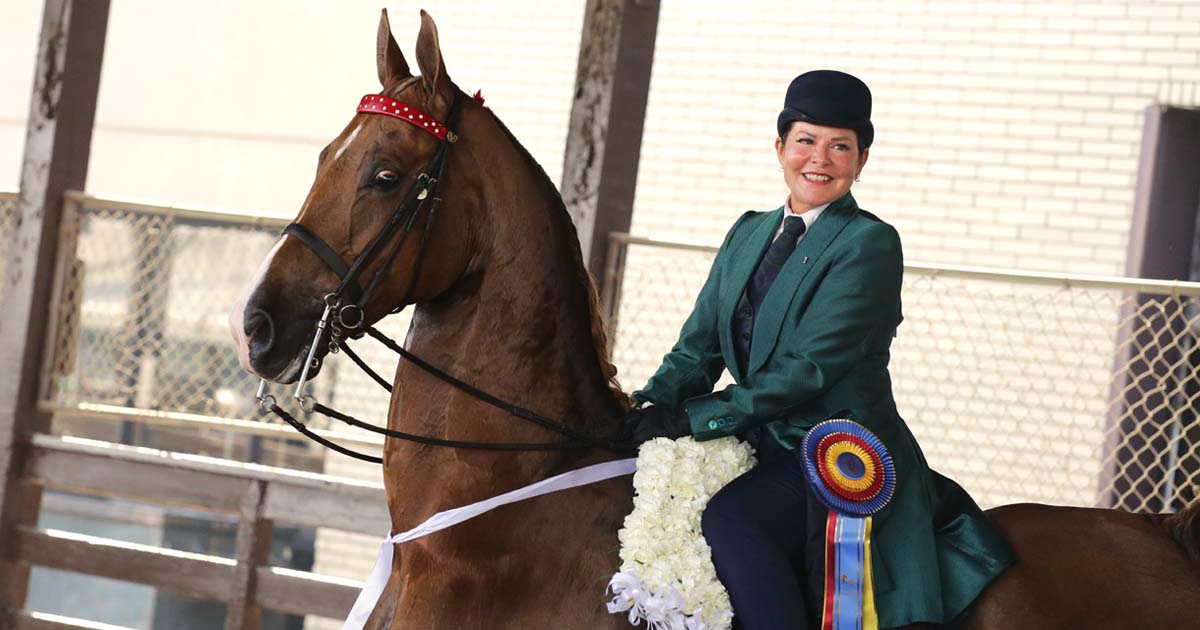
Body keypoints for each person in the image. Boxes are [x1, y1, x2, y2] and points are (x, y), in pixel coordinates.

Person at [621, 70, 1016, 630]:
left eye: (840, 147)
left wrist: (692, 417)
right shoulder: (748, 232)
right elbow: (697, 349)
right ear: (780, 146)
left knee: (734, 521)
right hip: (752, 431)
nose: (820, 159)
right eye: (806, 140)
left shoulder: (869, 244)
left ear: (861, 161)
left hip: (835, 445)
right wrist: (644, 408)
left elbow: (808, 370)